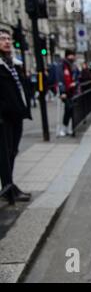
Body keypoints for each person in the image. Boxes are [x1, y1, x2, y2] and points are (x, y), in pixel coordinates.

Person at [0, 28, 32, 204]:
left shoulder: (14, 64)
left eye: (8, 39)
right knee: (4, 154)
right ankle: (8, 188)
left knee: (12, 152)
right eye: (2, 39)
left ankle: (9, 185)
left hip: (16, 115)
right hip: (4, 117)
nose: (7, 42)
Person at [57, 49, 77, 137]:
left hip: (73, 91)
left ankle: (69, 128)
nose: (73, 57)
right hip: (66, 92)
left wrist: (76, 83)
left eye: (74, 55)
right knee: (68, 108)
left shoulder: (73, 66)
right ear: (67, 56)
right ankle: (64, 128)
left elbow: (77, 77)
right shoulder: (62, 65)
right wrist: (62, 92)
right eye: (72, 55)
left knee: (71, 109)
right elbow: (60, 79)